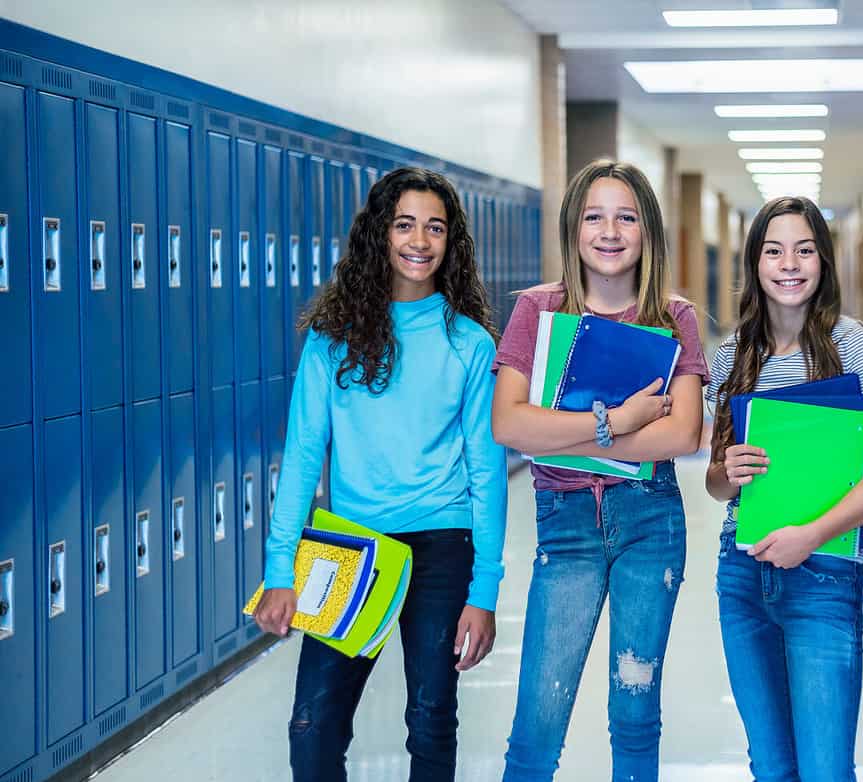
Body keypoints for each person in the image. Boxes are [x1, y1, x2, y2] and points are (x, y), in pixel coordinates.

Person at [253, 167, 508, 782]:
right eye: (404, 225)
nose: (419, 241)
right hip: (350, 543)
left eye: (435, 228)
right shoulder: (332, 338)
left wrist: (485, 591)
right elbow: (303, 456)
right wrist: (279, 570)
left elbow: (488, 471)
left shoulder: (469, 344)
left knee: (430, 717)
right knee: (312, 725)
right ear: (379, 234)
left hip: (442, 543)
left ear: (451, 243)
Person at [490, 159, 708, 781]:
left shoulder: (673, 318)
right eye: (594, 216)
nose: (609, 231)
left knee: (635, 715)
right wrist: (619, 422)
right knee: (538, 719)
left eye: (626, 216)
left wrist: (559, 433)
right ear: (573, 228)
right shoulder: (538, 310)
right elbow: (509, 425)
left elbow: (683, 434)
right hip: (566, 530)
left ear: (647, 232)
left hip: (650, 524)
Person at [704, 196, 863, 782]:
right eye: (774, 251)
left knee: (825, 769)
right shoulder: (731, 356)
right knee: (772, 767)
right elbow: (717, 485)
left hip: (824, 573)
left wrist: (813, 534)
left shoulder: (853, 344)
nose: (789, 264)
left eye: (804, 250)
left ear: (823, 261)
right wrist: (731, 468)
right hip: (743, 573)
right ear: (755, 263)